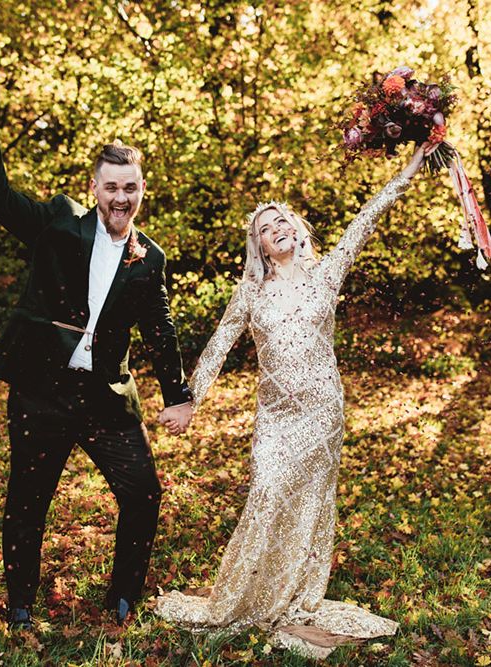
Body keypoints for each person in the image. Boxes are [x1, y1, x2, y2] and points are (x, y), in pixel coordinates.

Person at [155, 142, 430, 658]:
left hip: (324, 411)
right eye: (265, 226)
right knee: (266, 492)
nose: (276, 227)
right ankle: (245, 595)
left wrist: (412, 164)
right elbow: (218, 344)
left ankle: (296, 594)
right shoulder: (250, 292)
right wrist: (192, 400)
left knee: (309, 504)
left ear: (298, 230)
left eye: (283, 219)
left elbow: (368, 216)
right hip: (276, 416)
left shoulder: (328, 273)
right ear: (258, 245)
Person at [0, 64, 193, 629]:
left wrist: (178, 394)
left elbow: (160, 329)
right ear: (96, 188)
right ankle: (20, 606)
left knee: (142, 494)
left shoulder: (150, 258)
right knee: (27, 503)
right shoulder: (59, 226)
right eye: (111, 186)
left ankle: (122, 597)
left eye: (130, 186)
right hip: (42, 391)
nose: (121, 196)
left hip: (106, 397)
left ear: (142, 189)